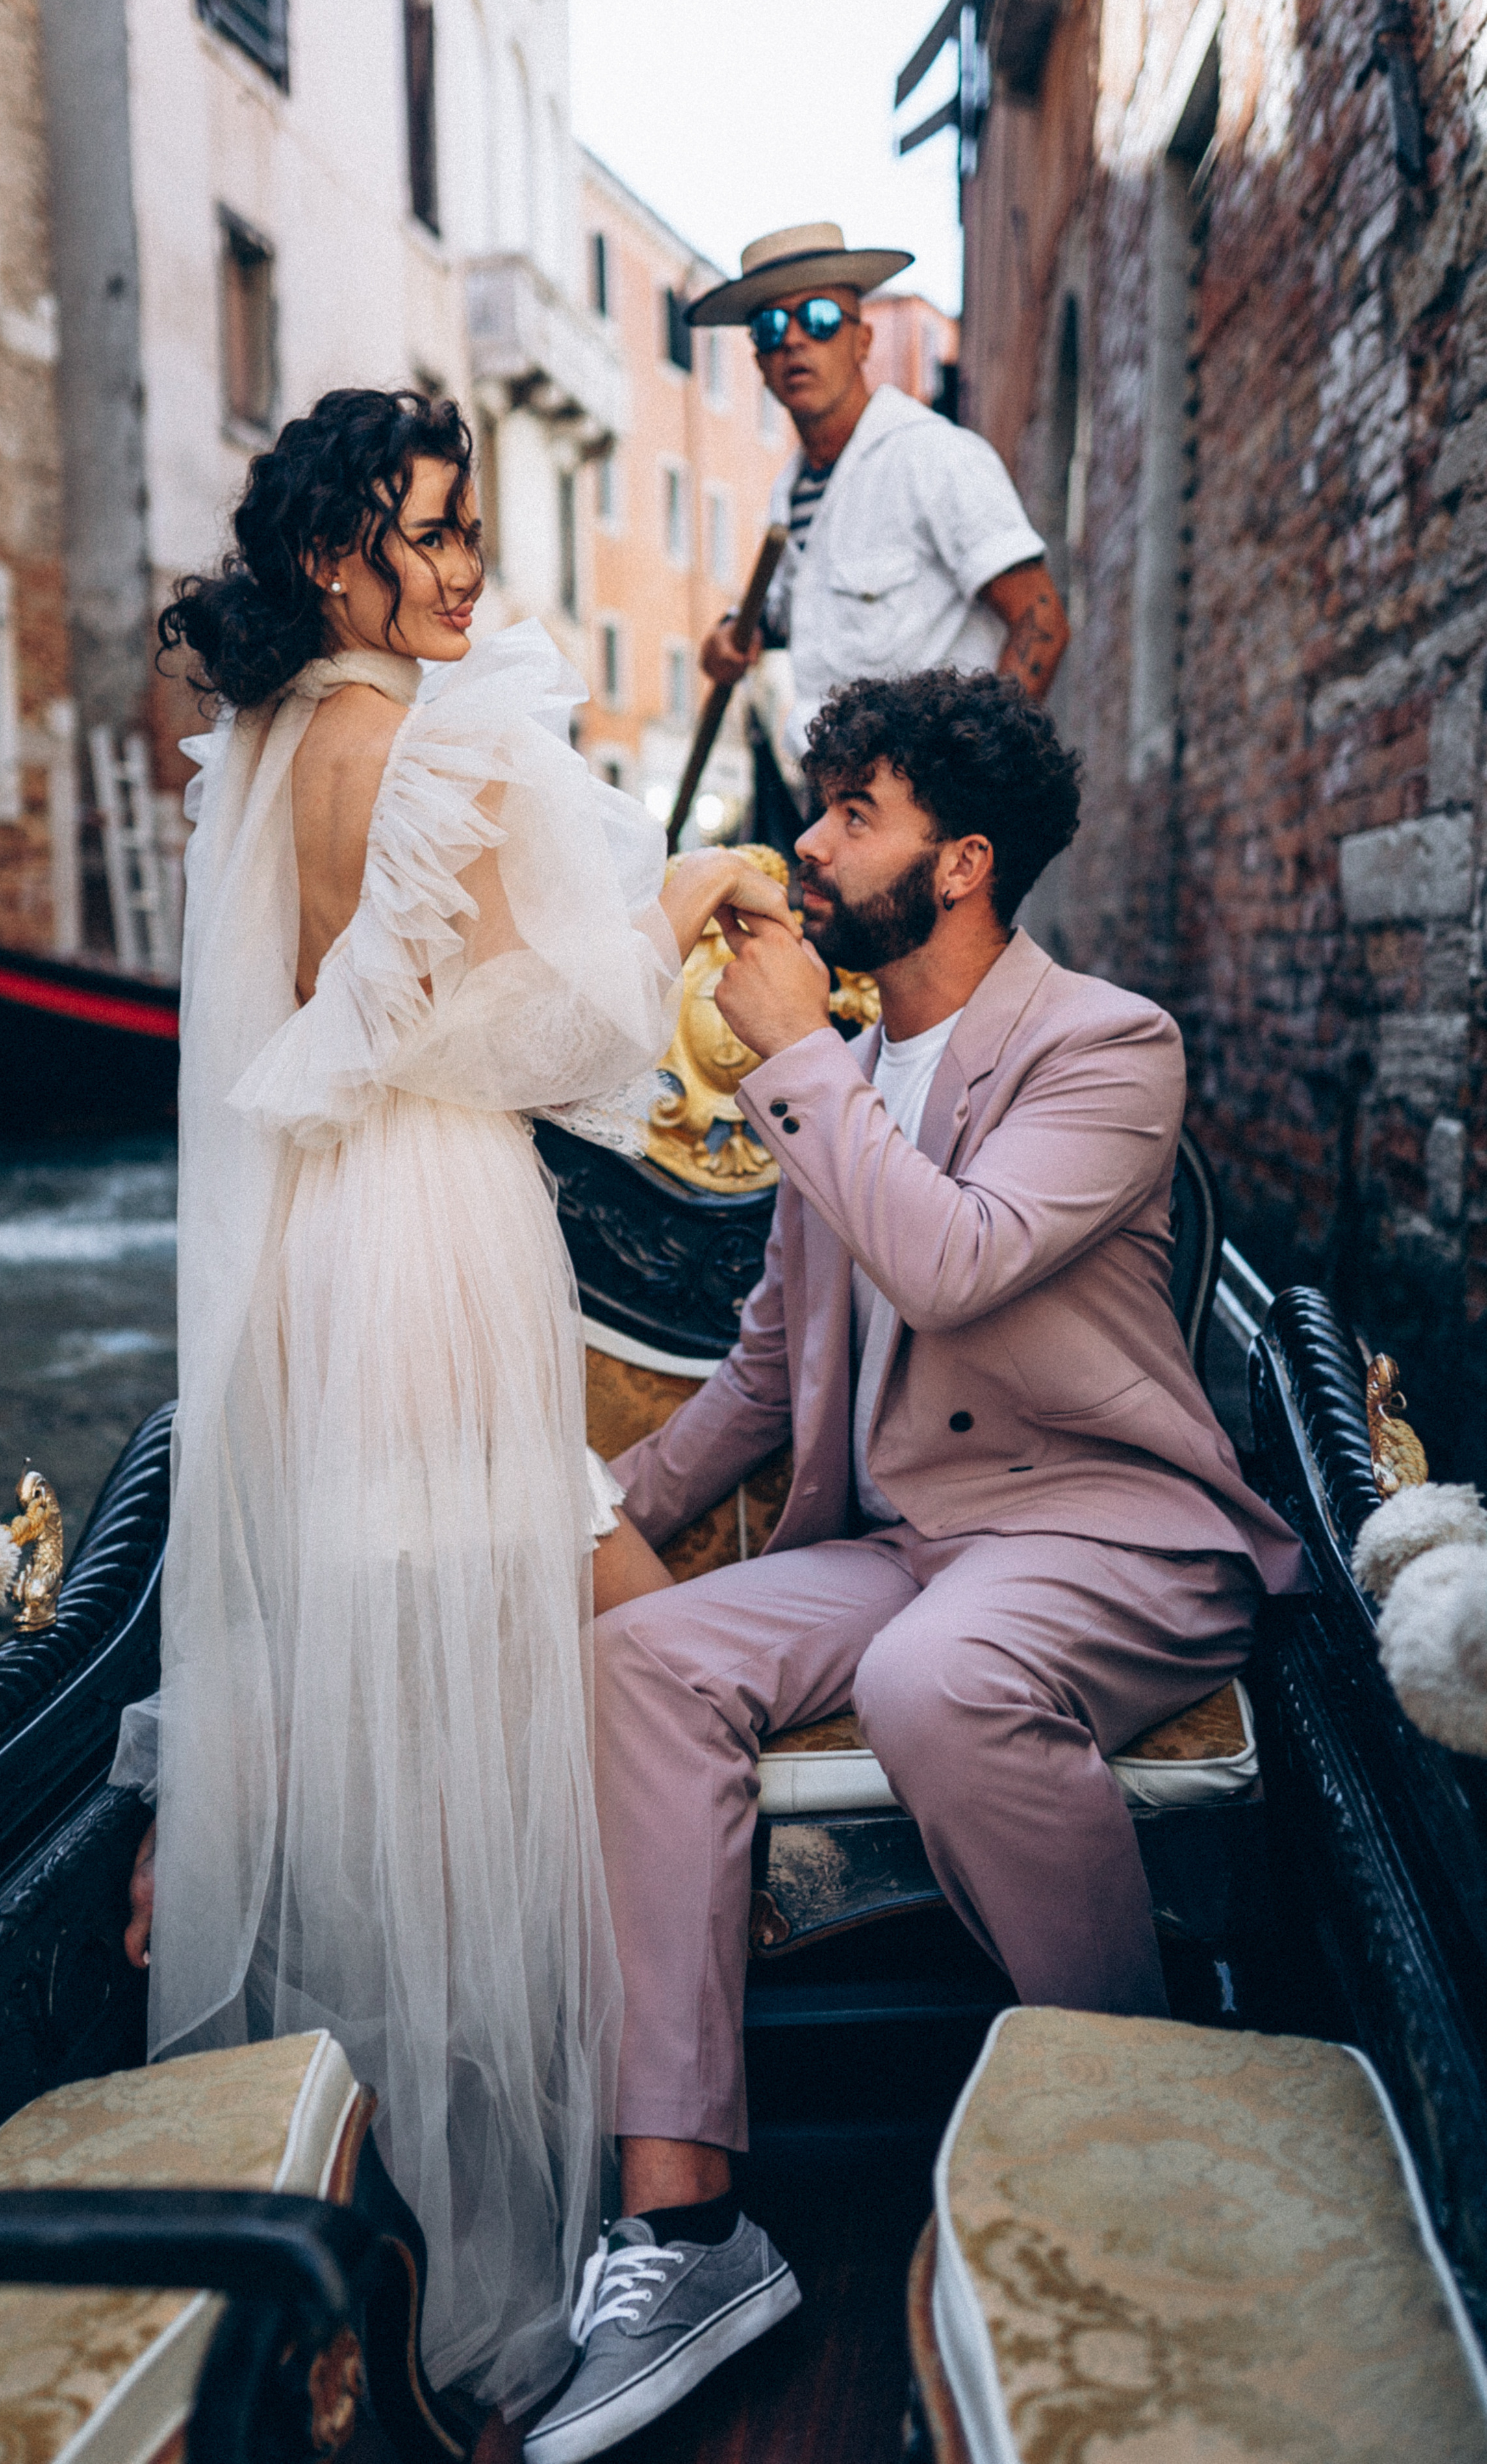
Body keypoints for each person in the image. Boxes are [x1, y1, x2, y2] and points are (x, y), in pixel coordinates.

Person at [522, 667, 1304, 2461]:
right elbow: (771, 1371)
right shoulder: (854, 1071)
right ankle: (686, 2228)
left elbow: (954, 1259)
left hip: (1106, 1528)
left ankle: (1125, 2113)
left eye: (851, 814)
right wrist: (586, 1505)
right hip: (913, 1541)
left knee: (932, 1679)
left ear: (960, 864)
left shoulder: (1107, 1045)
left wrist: (796, 1058)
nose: (807, 845)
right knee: (643, 1654)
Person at [108, 387, 794, 2422]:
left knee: (436, 1690)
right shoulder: (401, 738)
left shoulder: (279, 738)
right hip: (425, 1248)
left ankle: (459, 2205)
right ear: (340, 561)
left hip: (345, 1245)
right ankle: (559, 2232)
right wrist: (685, 897)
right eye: (431, 531)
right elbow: (540, 1031)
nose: (469, 565)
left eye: (470, 526)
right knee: (544, 1670)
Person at [687, 222, 1069, 803]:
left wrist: (968, 786)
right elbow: (785, 612)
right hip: (832, 804)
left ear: (862, 341)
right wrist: (728, 636)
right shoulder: (791, 490)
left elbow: (1041, 622)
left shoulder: (934, 457)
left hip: (929, 809)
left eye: (818, 319)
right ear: (759, 361)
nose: (793, 341)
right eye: (770, 328)